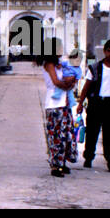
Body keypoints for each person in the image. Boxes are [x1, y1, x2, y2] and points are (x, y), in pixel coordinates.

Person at [77, 38, 110, 172]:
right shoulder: (95, 68)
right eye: (108, 51)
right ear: (104, 52)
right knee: (92, 132)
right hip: (96, 103)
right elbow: (86, 86)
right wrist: (81, 103)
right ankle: (88, 157)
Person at [41, 48, 76, 178]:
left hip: (64, 103)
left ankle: (62, 161)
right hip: (54, 104)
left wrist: (71, 83)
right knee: (56, 136)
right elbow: (56, 82)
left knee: (66, 135)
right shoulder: (49, 64)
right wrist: (67, 85)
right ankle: (56, 165)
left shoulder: (60, 64)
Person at [58, 49, 84, 163]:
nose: (77, 62)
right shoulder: (66, 64)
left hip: (68, 89)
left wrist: (71, 81)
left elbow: (76, 80)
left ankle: (68, 155)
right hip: (62, 88)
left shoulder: (78, 70)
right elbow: (59, 66)